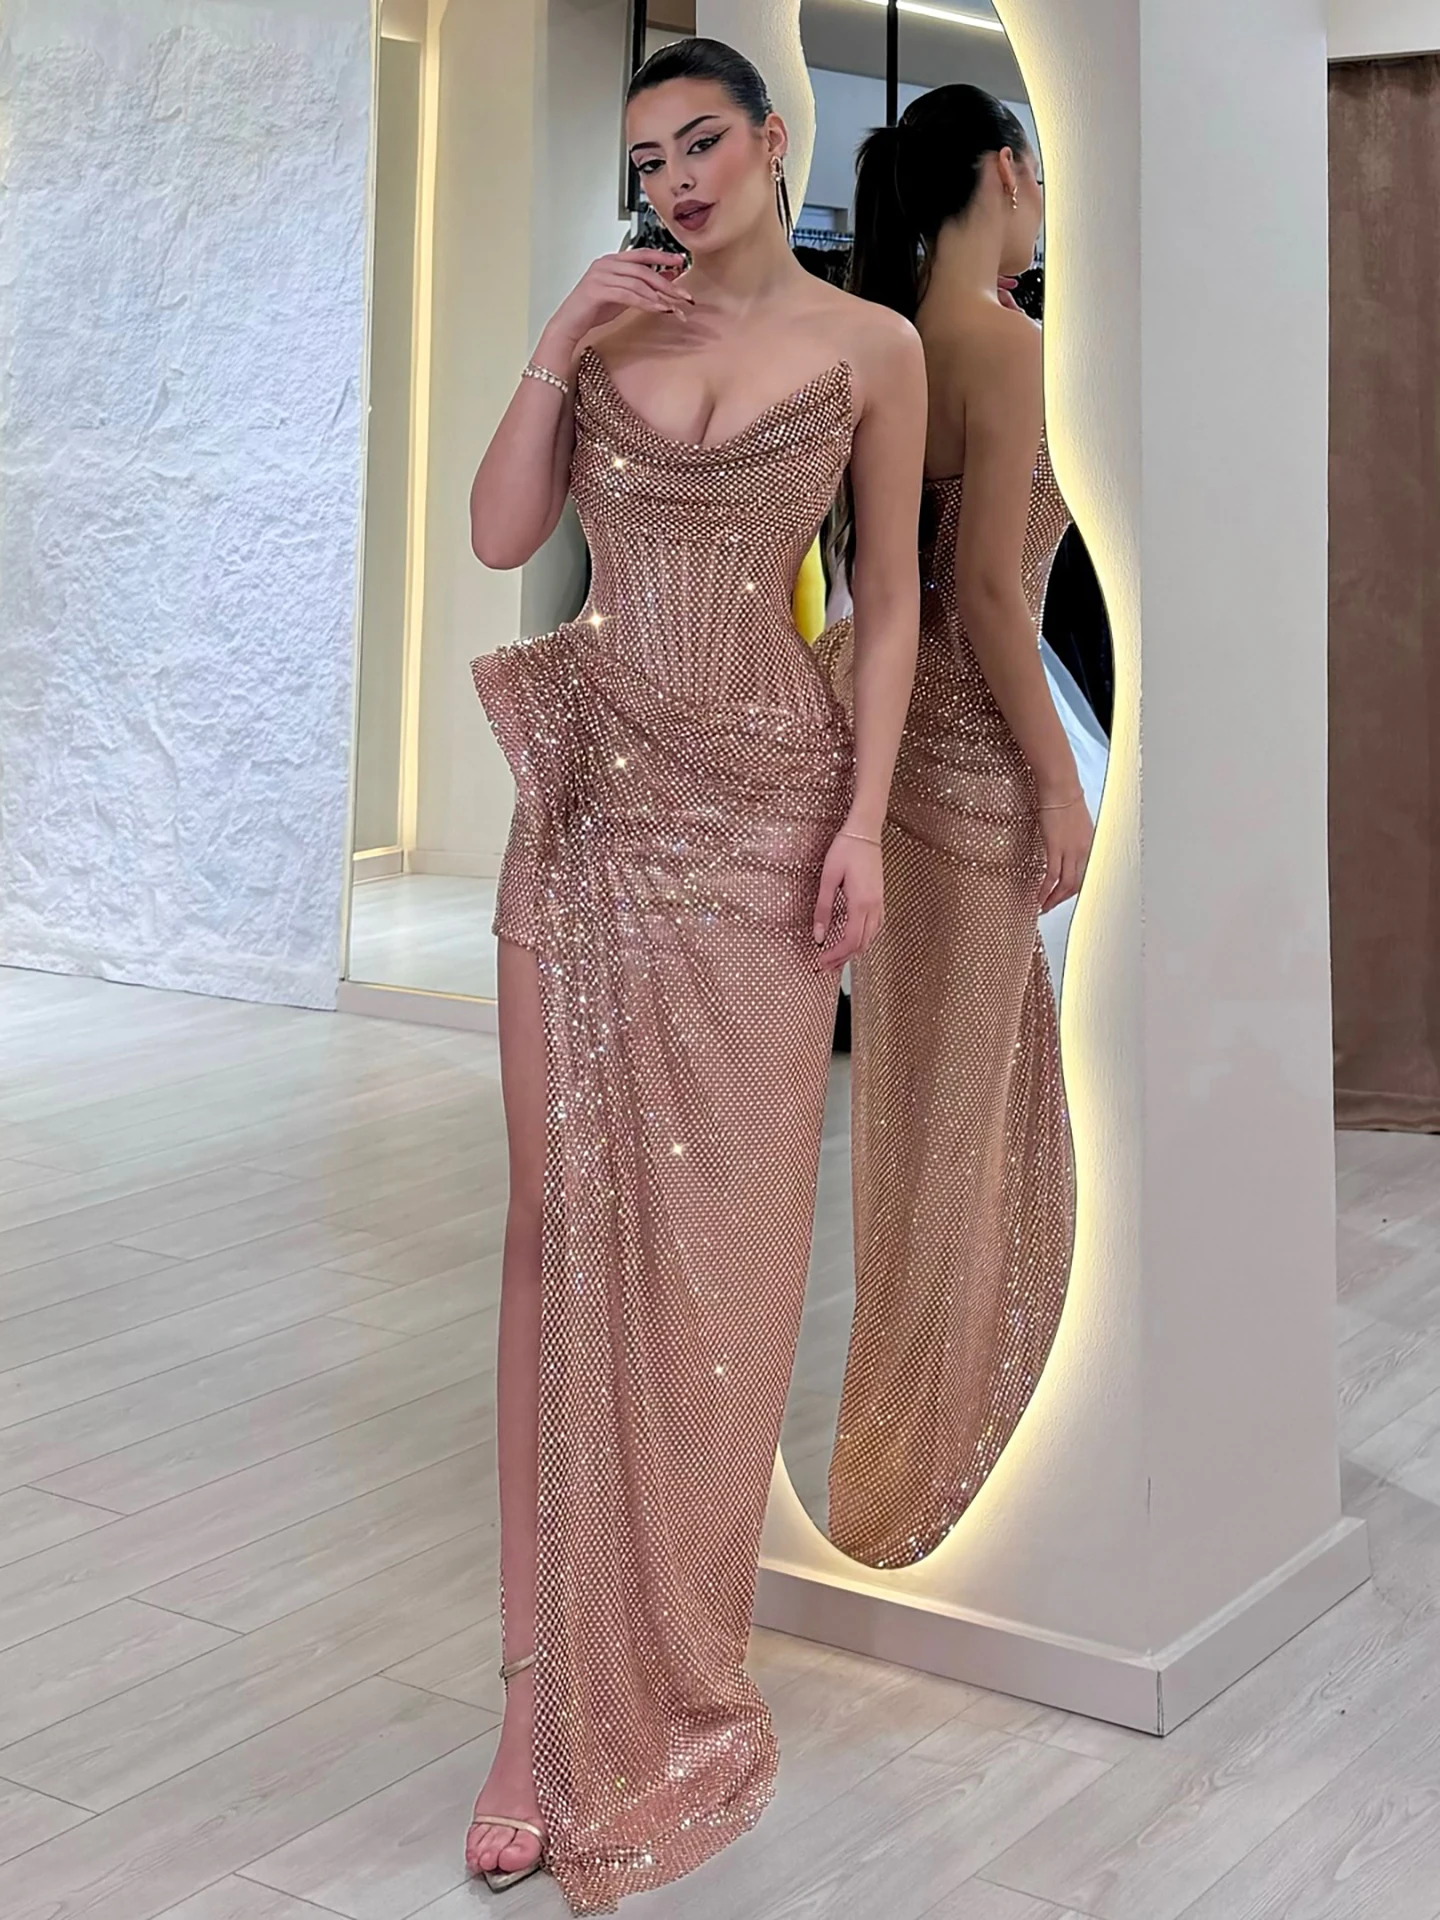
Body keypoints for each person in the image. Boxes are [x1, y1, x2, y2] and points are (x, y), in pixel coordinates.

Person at [463, 37, 926, 1912]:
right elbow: (502, 537)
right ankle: (531, 1707)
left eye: (704, 140)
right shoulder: (608, 336)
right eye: (648, 155)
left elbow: (887, 599)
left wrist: (865, 821)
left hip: (768, 816)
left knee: (724, 1251)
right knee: (551, 1221)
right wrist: (558, 335)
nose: (676, 178)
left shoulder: (871, 347)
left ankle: (664, 1667)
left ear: (774, 138)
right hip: (593, 813)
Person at [818, 85, 1094, 1569]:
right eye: (1037, 172)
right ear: (1006, 170)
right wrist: (1058, 780)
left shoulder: (890, 342)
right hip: (979, 759)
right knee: (978, 1127)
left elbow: (890, 583)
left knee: (918, 1121)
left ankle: (910, 1472)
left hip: (891, 750)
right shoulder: (1009, 344)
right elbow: (988, 588)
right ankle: (943, 1489)